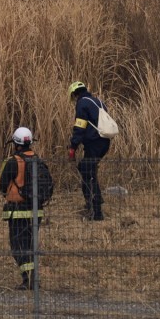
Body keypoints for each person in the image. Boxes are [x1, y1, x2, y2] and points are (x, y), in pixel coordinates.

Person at [0, 126, 45, 290]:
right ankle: (33, 278)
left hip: (18, 211)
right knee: (29, 244)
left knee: (18, 246)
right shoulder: (38, 160)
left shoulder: (13, 161)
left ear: (16, 145)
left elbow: (3, 185)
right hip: (36, 211)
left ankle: (29, 279)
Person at [67, 81, 111, 221]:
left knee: (88, 172)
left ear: (75, 94)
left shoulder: (82, 103)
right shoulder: (97, 101)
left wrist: (73, 146)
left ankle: (96, 210)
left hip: (94, 143)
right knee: (86, 168)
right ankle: (93, 203)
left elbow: (80, 127)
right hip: (104, 142)